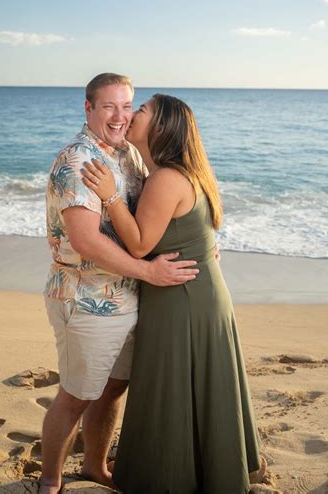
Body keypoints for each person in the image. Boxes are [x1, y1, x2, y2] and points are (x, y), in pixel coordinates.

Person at [81, 93, 262, 494]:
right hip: (197, 291)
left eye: (139, 110)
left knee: (172, 386)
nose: (129, 115)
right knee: (190, 386)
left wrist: (111, 196)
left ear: (160, 126)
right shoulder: (175, 171)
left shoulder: (166, 177)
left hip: (182, 299)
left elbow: (141, 246)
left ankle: (170, 476)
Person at [40, 75, 200, 494]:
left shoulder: (128, 154)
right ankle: (50, 481)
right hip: (86, 298)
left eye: (126, 106)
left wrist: (197, 246)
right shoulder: (79, 160)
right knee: (75, 396)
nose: (119, 116)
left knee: (112, 390)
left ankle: (94, 467)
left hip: (128, 297)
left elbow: (156, 214)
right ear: (88, 108)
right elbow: (85, 239)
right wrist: (148, 271)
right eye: (108, 106)